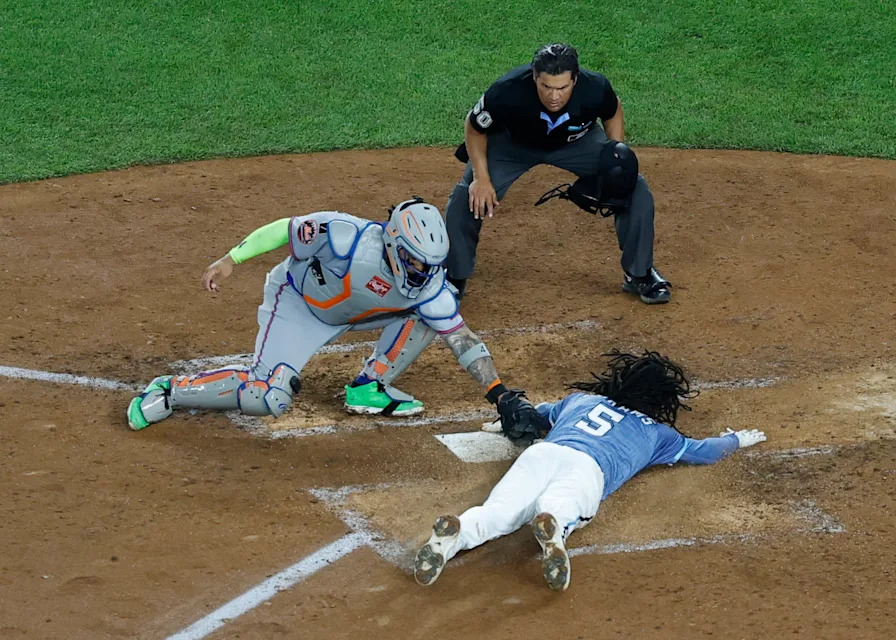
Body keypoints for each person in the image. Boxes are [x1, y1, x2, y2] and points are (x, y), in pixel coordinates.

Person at [125, 197, 541, 432]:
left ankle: (370, 385)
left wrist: (500, 394)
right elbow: (282, 229)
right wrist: (231, 259)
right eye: (416, 263)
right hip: (299, 305)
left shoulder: (429, 283)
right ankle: (170, 389)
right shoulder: (344, 237)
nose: (424, 273)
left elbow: (463, 340)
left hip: (357, 315)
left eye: (430, 264)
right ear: (395, 245)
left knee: (433, 312)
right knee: (264, 397)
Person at [413, 350, 767, 591]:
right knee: (564, 506)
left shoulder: (585, 401)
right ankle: (554, 527)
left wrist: (500, 424)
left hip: (544, 452)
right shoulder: (659, 434)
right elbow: (704, 452)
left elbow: (535, 415)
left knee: (498, 512)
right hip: (589, 469)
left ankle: (448, 541)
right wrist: (736, 440)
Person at [444, 42, 672, 304]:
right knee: (467, 196)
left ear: (575, 79)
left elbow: (613, 110)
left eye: (563, 88)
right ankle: (454, 276)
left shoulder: (594, 86)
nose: (554, 96)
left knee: (633, 186)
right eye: (547, 87)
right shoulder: (508, 89)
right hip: (512, 146)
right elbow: (474, 127)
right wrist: (481, 179)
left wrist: (615, 154)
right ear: (534, 77)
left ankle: (639, 274)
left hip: (576, 143)